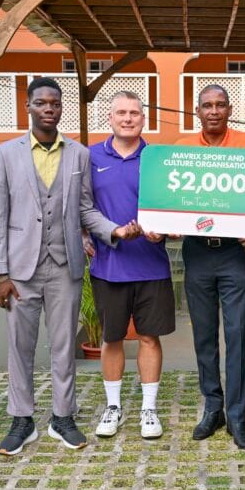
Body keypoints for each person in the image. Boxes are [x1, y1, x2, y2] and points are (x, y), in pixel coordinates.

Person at [0, 77, 139, 454]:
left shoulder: (79, 155)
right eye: (41, 103)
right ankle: (22, 420)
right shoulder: (6, 154)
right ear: (28, 106)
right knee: (20, 348)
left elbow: (86, 208)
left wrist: (114, 231)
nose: (49, 108)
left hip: (64, 263)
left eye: (55, 103)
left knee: (61, 346)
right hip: (21, 268)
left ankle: (62, 417)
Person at [175, 84, 245, 450]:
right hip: (197, 251)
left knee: (237, 333)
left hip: (234, 254)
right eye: (206, 105)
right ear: (197, 112)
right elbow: (171, 199)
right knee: (204, 335)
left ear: (229, 110)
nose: (213, 111)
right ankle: (212, 408)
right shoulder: (181, 152)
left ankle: (238, 417)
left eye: (220, 105)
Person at [89, 91, 175, 440]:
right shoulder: (91, 156)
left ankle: (149, 409)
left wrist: (163, 232)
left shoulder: (158, 159)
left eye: (134, 113)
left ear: (144, 119)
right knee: (111, 339)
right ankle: (113, 406)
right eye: (121, 113)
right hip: (108, 266)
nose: (128, 118)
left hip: (151, 265)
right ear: (109, 117)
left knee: (149, 337)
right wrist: (107, 232)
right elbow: (83, 207)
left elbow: (173, 206)